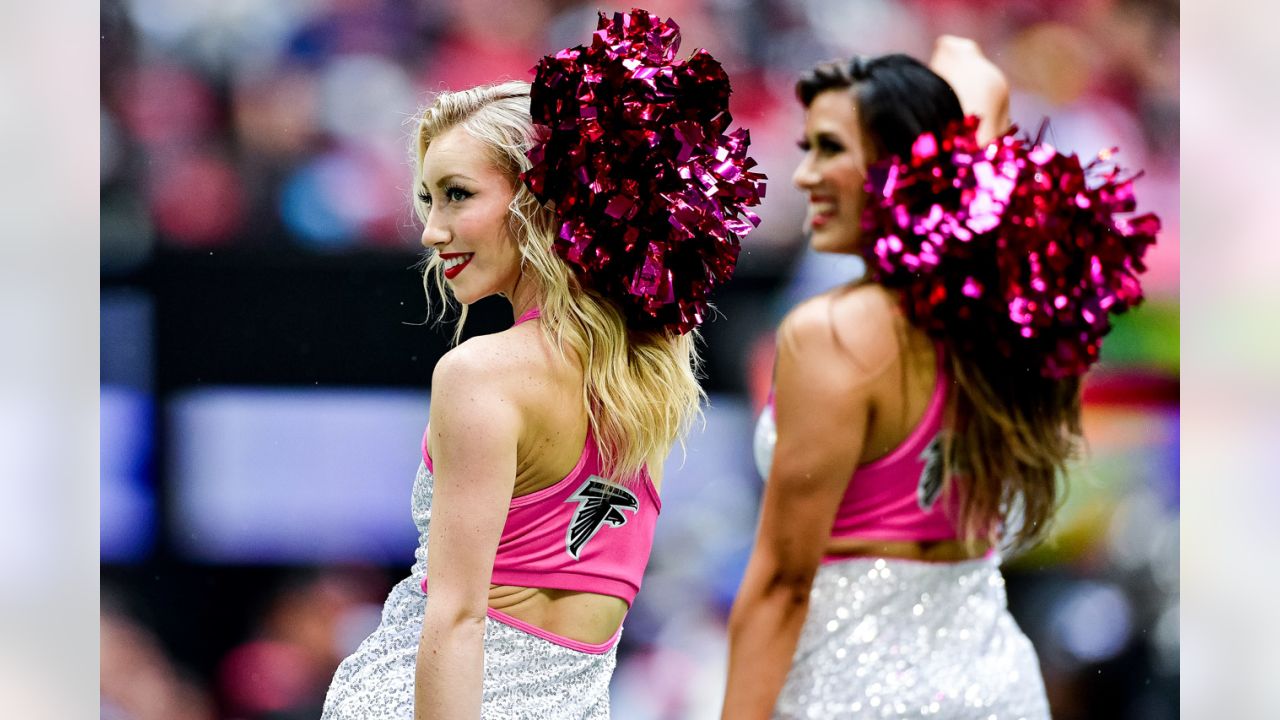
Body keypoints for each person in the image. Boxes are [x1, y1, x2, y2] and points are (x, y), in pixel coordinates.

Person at [322, 11, 762, 720]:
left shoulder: (482, 374)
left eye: (458, 194)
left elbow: (459, 620)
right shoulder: (652, 374)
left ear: (539, 200)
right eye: (427, 199)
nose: (432, 230)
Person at [722, 36, 1155, 719]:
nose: (804, 175)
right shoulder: (996, 305)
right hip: (997, 690)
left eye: (830, 148)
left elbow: (782, 583)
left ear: (900, 167)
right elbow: (971, 66)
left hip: (854, 694)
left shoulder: (830, 332)